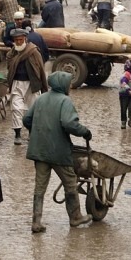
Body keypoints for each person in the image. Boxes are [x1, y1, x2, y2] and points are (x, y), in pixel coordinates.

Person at [23, 71, 93, 233]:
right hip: (58, 151)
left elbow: (27, 119)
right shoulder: (65, 101)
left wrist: (38, 132)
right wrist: (85, 132)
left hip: (39, 150)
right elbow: (69, 123)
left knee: (39, 187)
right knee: (70, 183)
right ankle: (75, 217)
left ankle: (36, 221)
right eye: (68, 83)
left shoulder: (41, 98)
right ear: (62, 84)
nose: (70, 86)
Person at [7, 28, 48, 145]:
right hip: (17, 83)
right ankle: (17, 135)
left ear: (25, 39)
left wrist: (43, 86)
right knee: (16, 109)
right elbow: (9, 68)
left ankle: (31, 132)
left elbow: (40, 69)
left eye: (20, 39)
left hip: (32, 84)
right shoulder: (12, 53)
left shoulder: (33, 51)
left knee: (32, 110)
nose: (19, 42)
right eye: (16, 40)